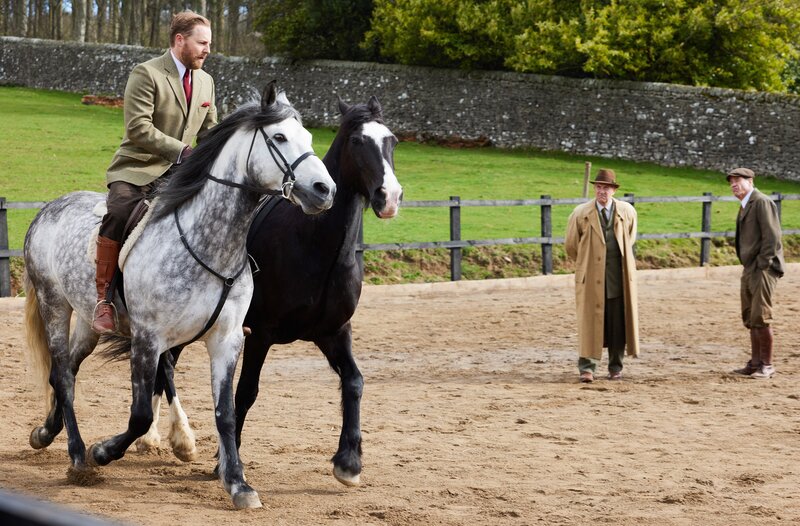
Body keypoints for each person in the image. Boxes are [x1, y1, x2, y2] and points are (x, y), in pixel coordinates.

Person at [92, 10, 217, 334]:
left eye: (209, 44)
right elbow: (137, 128)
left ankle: (218, 301)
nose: (207, 50)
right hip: (136, 168)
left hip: (180, 173)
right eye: (202, 43)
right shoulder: (146, 73)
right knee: (119, 211)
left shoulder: (206, 81)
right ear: (180, 40)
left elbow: (210, 132)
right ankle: (103, 299)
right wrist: (182, 151)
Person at [565, 169, 639, 383]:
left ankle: (616, 367)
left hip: (618, 279)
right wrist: (588, 262)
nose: (601, 191)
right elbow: (571, 245)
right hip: (590, 280)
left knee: (618, 324)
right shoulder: (580, 213)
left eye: (606, 188)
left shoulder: (627, 211)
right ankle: (587, 368)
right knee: (589, 323)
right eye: (598, 187)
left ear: (613, 190)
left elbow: (630, 239)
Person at [727, 167, 785, 379]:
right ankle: (755, 362)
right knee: (751, 316)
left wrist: (763, 263)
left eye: (738, 181)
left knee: (761, 315)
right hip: (750, 266)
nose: (734, 185)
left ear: (750, 181)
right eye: (731, 182)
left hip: (763, 268)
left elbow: (772, 236)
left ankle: (767, 365)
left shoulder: (761, 202)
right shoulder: (745, 205)